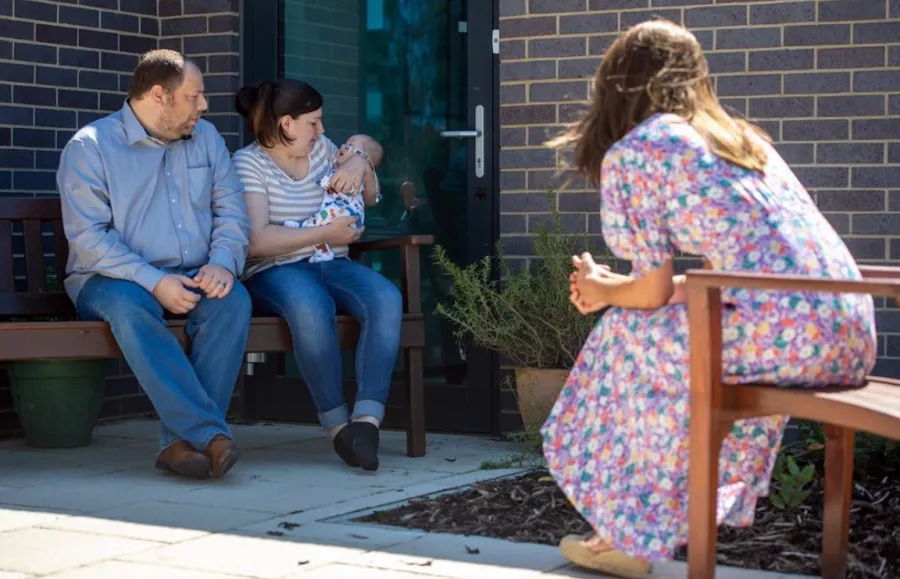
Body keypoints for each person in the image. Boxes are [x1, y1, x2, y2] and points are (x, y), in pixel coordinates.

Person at [542, 19, 877, 578]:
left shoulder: (640, 149)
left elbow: (648, 292)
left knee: (625, 337)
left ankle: (629, 532)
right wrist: (611, 290)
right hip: (846, 332)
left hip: (781, 331)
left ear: (615, 83)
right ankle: (639, 525)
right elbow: (721, 281)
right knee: (662, 331)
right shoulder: (742, 140)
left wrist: (606, 291)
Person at [57, 49, 252, 481]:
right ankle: (209, 434)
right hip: (111, 279)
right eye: (194, 96)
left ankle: (179, 446)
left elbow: (232, 213)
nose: (204, 106)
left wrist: (222, 263)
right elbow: (89, 239)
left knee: (232, 301)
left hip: (194, 272)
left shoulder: (207, 138)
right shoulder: (90, 148)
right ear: (160, 95)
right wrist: (155, 280)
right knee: (132, 309)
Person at [232, 79, 401, 472]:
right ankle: (338, 427)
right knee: (311, 307)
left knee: (386, 298)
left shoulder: (323, 150)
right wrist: (324, 233)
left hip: (333, 263)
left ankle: (367, 421)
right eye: (314, 122)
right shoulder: (248, 164)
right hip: (276, 269)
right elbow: (257, 242)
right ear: (287, 124)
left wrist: (359, 160)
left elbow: (371, 179)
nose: (322, 130)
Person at [284, 134, 383, 263]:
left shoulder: (357, 178)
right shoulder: (335, 163)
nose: (342, 146)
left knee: (321, 219)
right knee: (322, 227)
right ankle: (323, 251)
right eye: (345, 143)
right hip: (338, 214)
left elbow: (371, 196)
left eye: (349, 146)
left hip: (344, 215)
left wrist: (362, 165)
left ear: (362, 156)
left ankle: (302, 228)